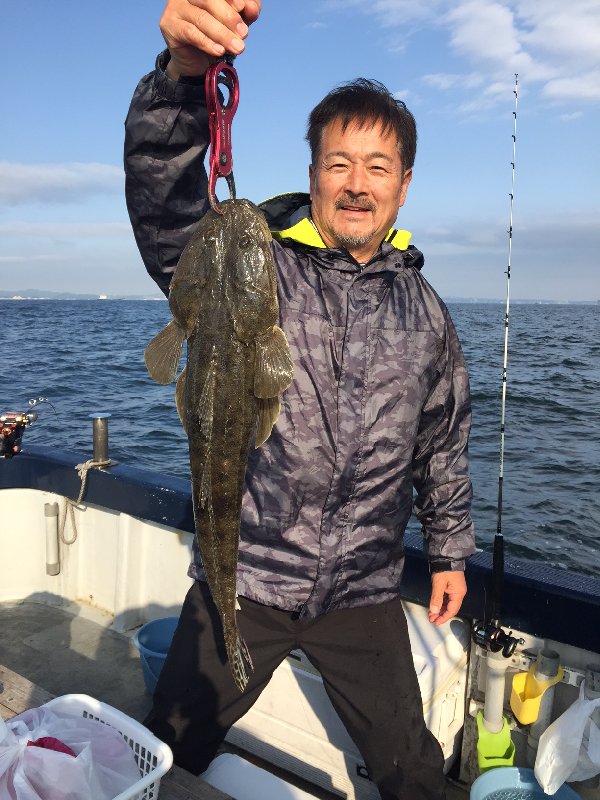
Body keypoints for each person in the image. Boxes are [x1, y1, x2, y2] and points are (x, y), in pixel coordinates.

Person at [124, 2, 476, 798]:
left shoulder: (429, 315)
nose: (356, 184)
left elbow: (443, 442)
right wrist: (181, 78)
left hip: (363, 591)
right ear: (313, 173)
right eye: (338, 163)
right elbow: (169, 207)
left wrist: (450, 551)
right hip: (247, 576)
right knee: (160, 753)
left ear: (404, 186)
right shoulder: (257, 262)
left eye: (377, 167)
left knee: (414, 772)